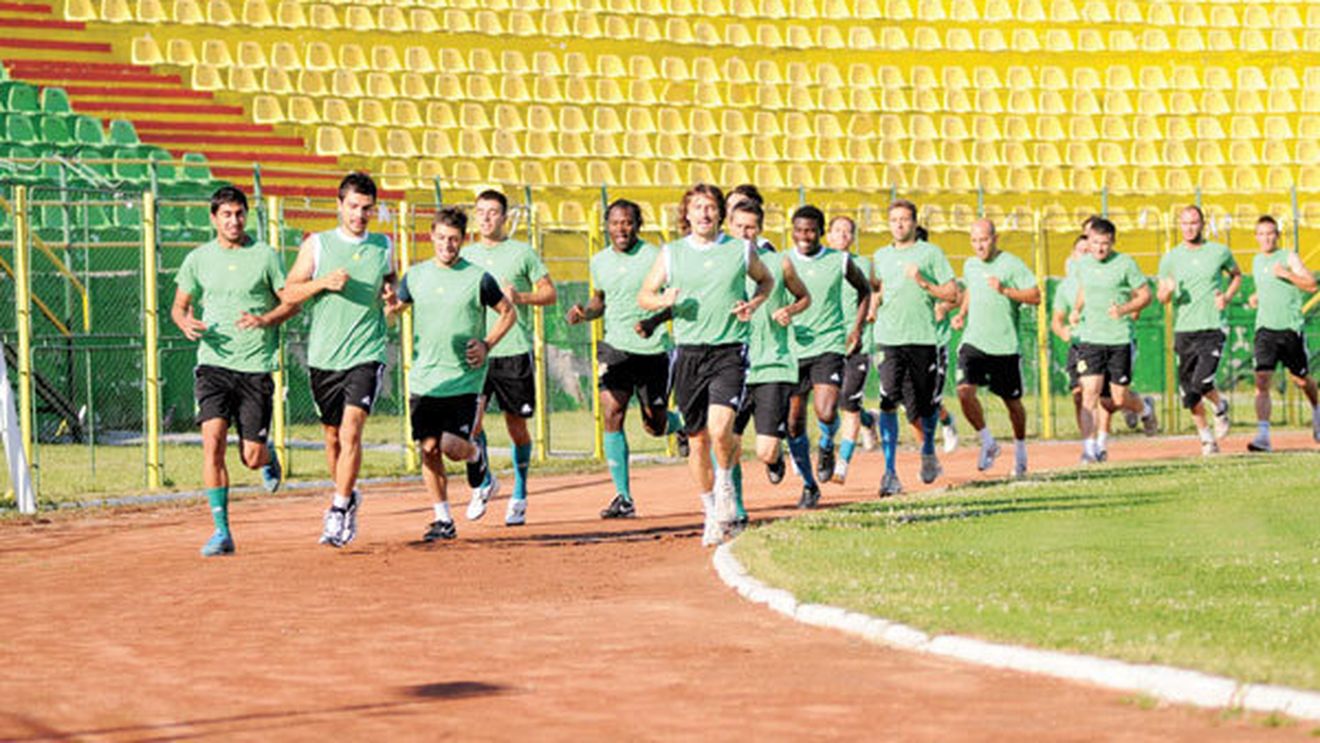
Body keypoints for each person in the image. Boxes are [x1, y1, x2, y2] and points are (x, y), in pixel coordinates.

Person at [638, 183, 774, 546]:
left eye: (710, 207)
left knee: (720, 428)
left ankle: (727, 482)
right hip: (688, 353)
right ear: (687, 214)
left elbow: (767, 280)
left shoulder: (740, 250)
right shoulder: (672, 253)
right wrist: (661, 300)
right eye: (697, 207)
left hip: (729, 350)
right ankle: (711, 512)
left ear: (721, 214)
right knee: (697, 440)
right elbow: (645, 295)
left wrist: (754, 304)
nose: (704, 213)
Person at [171, 186, 294, 556]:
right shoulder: (197, 259)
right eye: (226, 214)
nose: (234, 221)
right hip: (213, 365)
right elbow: (179, 306)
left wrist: (265, 318)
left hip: (255, 366)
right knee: (212, 444)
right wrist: (185, 323)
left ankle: (267, 456)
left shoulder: (265, 256)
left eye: (239, 213)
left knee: (251, 456)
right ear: (213, 219)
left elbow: (291, 302)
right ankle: (221, 531)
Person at [386, 207, 515, 541]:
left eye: (454, 239)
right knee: (428, 448)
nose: (447, 245)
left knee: (451, 446)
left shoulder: (478, 277)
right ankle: (443, 518)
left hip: (464, 379)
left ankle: (475, 454)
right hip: (425, 379)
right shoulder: (414, 276)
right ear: (432, 235)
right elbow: (394, 311)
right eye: (442, 238)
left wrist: (487, 344)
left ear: (463, 239)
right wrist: (387, 306)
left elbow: (507, 313)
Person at [283, 172, 396, 548]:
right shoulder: (318, 245)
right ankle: (347, 495)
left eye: (366, 209)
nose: (360, 215)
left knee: (351, 430)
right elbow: (288, 292)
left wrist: (391, 298)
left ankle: (337, 507)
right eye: (353, 207)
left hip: (366, 353)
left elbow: (390, 282)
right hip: (324, 356)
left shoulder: (384, 245)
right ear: (339, 205)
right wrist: (322, 283)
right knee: (332, 439)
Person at [565, 199, 685, 519]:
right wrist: (584, 313)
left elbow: (674, 300)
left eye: (628, 222)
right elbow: (600, 300)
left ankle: (681, 424)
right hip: (615, 347)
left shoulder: (655, 256)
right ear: (607, 225)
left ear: (638, 225)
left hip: (652, 348)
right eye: (616, 222)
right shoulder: (599, 261)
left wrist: (653, 322)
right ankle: (623, 497)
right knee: (612, 411)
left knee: (654, 425)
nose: (622, 228)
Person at [462, 190, 557, 526]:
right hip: (476, 351)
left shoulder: (522, 253)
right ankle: (485, 481)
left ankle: (519, 493)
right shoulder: (465, 254)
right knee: (468, 427)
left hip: (512, 351)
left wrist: (522, 296)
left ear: (504, 217)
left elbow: (550, 293)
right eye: (481, 212)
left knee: (516, 427)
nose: (486, 218)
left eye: (493, 212)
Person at [726, 199, 810, 523]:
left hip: (773, 364)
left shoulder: (780, 263)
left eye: (751, 227)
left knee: (764, 450)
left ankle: (775, 460)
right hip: (733, 364)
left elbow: (804, 297)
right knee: (727, 441)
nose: (745, 233)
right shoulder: (721, 264)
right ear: (729, 227)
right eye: (739, 227)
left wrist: (789, 310)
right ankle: (738, 508)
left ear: (759, 229)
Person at [870, 200, 958, 496]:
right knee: (888, 400)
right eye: (893, 219)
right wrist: (870, 310)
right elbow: (876, 290)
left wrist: (923, 283)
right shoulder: (881, 256)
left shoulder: (930, 253)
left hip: (922, 339)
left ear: (913, 223)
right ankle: (889, 472)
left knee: (925, 405)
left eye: (904, 220)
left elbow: (952, 293)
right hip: (889, 339)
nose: (899, 225)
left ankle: (928, 450)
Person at [784, 205, 870, 503]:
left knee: (826, 410)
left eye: (810, 230)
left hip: (828, 345)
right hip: (794, 349)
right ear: (792, 231)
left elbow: (865, 291)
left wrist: (856, 329)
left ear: (820, 232)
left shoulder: (840, 260)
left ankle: (825, 443)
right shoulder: (783, 262)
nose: (804, 236)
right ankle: (809, 485)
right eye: (799, 230)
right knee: (793, 422)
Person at [950, 219, 1041, 477]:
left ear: (995, 238)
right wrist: (962, 313)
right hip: (974, 342)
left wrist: (1005, 290)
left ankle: (1021, 451)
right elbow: (970, 291)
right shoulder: (970, 265)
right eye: (975, 241)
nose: (979, 245)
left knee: (1012, 403)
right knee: (964, 392)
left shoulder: (1011, 264)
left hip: (1004, 345)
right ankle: (988, 442)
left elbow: (1035, 296)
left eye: (984, 239)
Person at [1052, 234, 1157, 450]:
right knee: (1087, 394)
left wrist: (1124, 309)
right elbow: (1083, 291)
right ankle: (1091, 449)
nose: (1098, 249)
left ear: (1112, 243)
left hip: (1118, 339)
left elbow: (1146, 296)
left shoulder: (1124, 264)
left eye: (1104, 244)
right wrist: (1075, 310)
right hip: (1089, 341)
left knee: (1115, 400)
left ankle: (1144, 409)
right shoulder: (1082, 269)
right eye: (1094, 244)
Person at [1156, 205, 1241, 455]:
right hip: (1185, 329)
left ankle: (1220, 406)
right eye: (1185, 223)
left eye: (1194, 222)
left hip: (1212, 326)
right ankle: (1206, 439)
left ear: (1203, 224)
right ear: (1179, 226)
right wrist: (1168, 292)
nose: (1189, 227)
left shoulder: (1219, 252)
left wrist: (1226, 296)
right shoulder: (1170, 258)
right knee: (1189, 392)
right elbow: (1162, 296)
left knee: (1201, 380)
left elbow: (1236, 275)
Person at [1246, 215, 1320, 451]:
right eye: (1261, 234)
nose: (1266, 238)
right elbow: (1264, 286)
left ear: (1277, 235)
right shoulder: (1256, 261)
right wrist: (1256, 297)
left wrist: (1287, 274)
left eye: (1270, 234)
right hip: (1265, 328)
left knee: (1301, 380)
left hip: (1289, 328)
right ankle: (1263, 436)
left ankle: (1317, 410)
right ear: (1256, 237)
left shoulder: (1288, 257)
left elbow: (1311, 284)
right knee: (1262, 379)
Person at [826, 215, 880, 485]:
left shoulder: (862, 263)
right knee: (833, 401)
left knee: (848, 400)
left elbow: (876, 289)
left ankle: (843, 464)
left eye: (848, 231)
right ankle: (870, 420)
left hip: (857, 342)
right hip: (827, 343)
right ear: (828, 236)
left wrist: (873, 308)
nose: (843, 235)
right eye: (837, 231)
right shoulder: (820, 264)